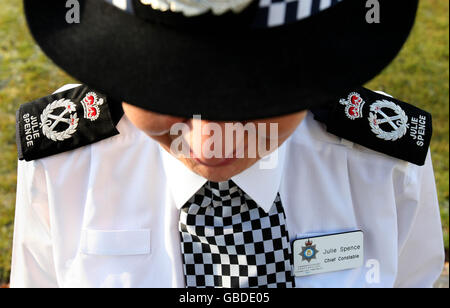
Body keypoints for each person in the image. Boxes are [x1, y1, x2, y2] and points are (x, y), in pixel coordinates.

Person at [10, 0, 445, 288]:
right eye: (169, 94)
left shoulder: (384, 164)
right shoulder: (64, 166)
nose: (209, 145)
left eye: (253, 99)